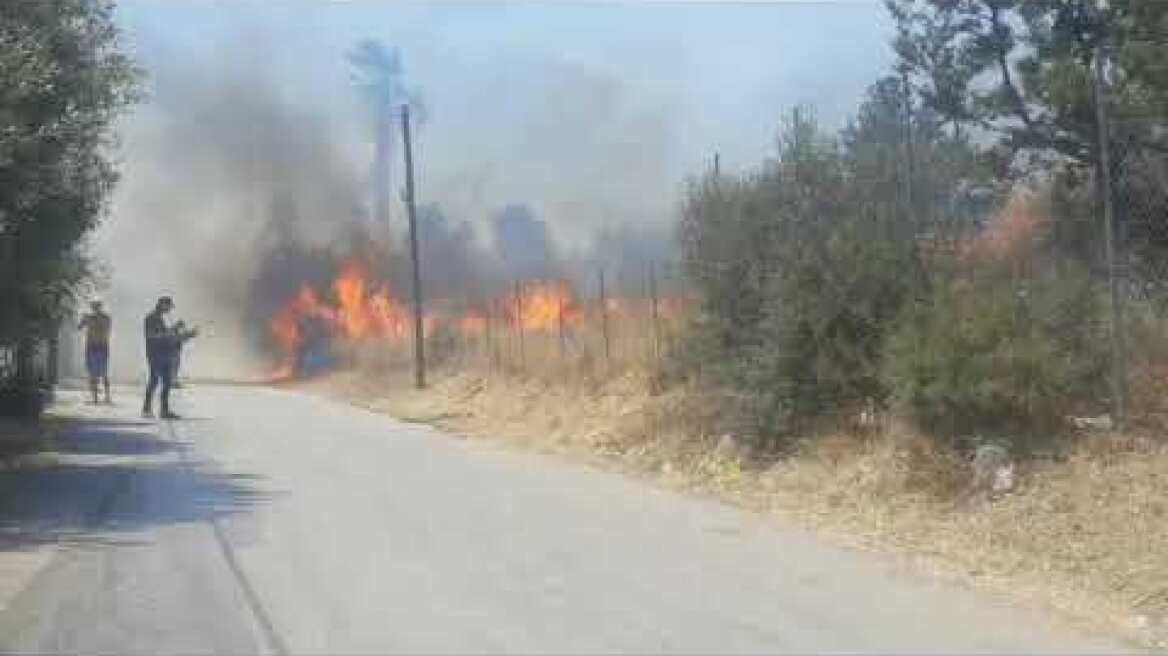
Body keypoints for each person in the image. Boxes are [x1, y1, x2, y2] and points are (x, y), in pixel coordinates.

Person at [142, 296, 179, 419]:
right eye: (168, 306)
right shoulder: (151, 317)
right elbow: (151, 335)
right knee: (154, 381)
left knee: (166, 382)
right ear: (162, 304)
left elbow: (165, 334)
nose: (169, 309)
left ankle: (163, 410)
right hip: (155, 353)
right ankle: (147, 409)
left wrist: (176, 331)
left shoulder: (159, 318)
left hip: (164, 353)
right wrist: (170, 332)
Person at [78, 300, 112, 404]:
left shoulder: (96, 318)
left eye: (95, 306)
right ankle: (100, 397)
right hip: (99, 346)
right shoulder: (105, 318)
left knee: (98, 373)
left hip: (96, 346)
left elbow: (79, 327)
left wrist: (85, 320)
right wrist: (84, 320)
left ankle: (99, 397)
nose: (95, 308)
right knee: (100, 373)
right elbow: (80, 327)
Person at [168, 320, 199, 388]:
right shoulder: (172, 332)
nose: (181, 329)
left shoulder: (175, 332)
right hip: (172, 353)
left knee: (176, 367)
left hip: (176, 353)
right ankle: (172, 382)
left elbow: (183, 337)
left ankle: (174, 381)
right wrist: (191, 334)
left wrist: (191, 334)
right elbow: (180, 338)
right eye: (181, 327)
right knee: (173, 367)